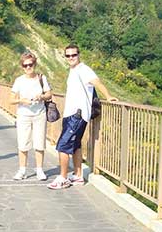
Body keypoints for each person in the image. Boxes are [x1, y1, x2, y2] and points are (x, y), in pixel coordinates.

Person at [48, 44, 118, 190]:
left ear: (79, 55)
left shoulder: (84, 69)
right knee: (75, 145)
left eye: (74, 55)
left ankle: (63, 178)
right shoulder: (73, 71)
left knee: (63, 145)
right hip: (71, 114)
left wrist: (109, 96)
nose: (71, 58)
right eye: (68, 55)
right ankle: (78, 175)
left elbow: (96, 82)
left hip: (78, 114)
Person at [9, 52, 52, 181]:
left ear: (35, 64)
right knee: (23, 143)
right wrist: (22, 101)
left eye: (30, 64)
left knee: (39, 143)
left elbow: (49, 94)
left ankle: (39, 170)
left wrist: (42, 96)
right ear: (22, 66)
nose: (28, 67)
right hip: (24, 115)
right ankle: (22, 170)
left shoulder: (41, 78)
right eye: (25, 65)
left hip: (39, 114)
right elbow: (11, 99)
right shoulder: (19, 80)